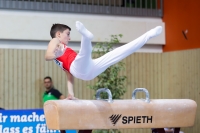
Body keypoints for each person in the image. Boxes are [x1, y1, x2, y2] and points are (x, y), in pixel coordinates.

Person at [45, 21, 162, 99]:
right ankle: (85, 36)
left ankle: (149, 35)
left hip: (86, 69)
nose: (69, 37)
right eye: (68, 34)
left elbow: (69, 75)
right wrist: (55, 54)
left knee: (117, 54)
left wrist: (71, 94)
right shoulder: (55, 41)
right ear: (59, 34)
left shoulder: (62, 51)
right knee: (84, 53)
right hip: (77, 67)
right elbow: (47, 56)